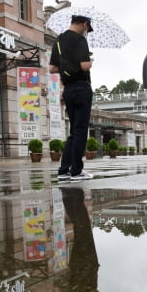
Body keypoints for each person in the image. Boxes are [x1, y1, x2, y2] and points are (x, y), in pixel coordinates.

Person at [50, 15, 95, 181]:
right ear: (85, 24)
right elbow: (84, 65)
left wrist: (67, 66)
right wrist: (90, 62)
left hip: (68, 89)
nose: (86, 32)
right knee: (81, 130)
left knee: (73, 132)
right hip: (81, 87)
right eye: (87, 29)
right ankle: (76, 171)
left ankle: (64, 170)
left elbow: (52, 68)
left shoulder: (59, 40)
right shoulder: (80, 40)